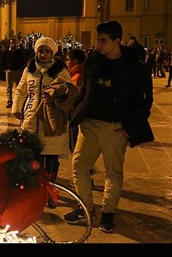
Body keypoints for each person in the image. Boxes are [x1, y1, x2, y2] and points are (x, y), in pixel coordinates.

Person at [64, 21, 154, 234]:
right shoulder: (95, 61)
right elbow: (85, 89)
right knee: (78, 165)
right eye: (98, 40)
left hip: (115, 127)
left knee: (113, 172)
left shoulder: (135, 67)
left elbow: (144, 101)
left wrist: (129, 128)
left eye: (103, 41)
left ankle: (107, 213)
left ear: (117, 41)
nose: (98, 45)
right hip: (90, 125)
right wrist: (76, 113)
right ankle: (85, 207)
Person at [11, 36, 77, 208]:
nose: (43, 54)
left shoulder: (60, 70)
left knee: (51, 158)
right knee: (34, 158)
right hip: (32, 119)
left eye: (47, 51)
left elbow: (69, 91)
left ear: (52, 53)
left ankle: (49, 192)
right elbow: (21, 90)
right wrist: (17, 108)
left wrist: (56, 96)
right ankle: (36, 192)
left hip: (52, 121)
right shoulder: (30, 69)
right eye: (40, 50)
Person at [2, 38, 25, 108]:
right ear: (9, 44)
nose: (13, 45)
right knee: (9, 87)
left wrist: (21, 68)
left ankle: (18, 101)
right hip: (9, 71)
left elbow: (23, 60)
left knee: (19, 87)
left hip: (18, 71)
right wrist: (5, 69)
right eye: (12, 43)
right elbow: (2, 60)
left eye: (15, 43)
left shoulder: (20, 52)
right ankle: (9, 102)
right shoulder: (6, 52)